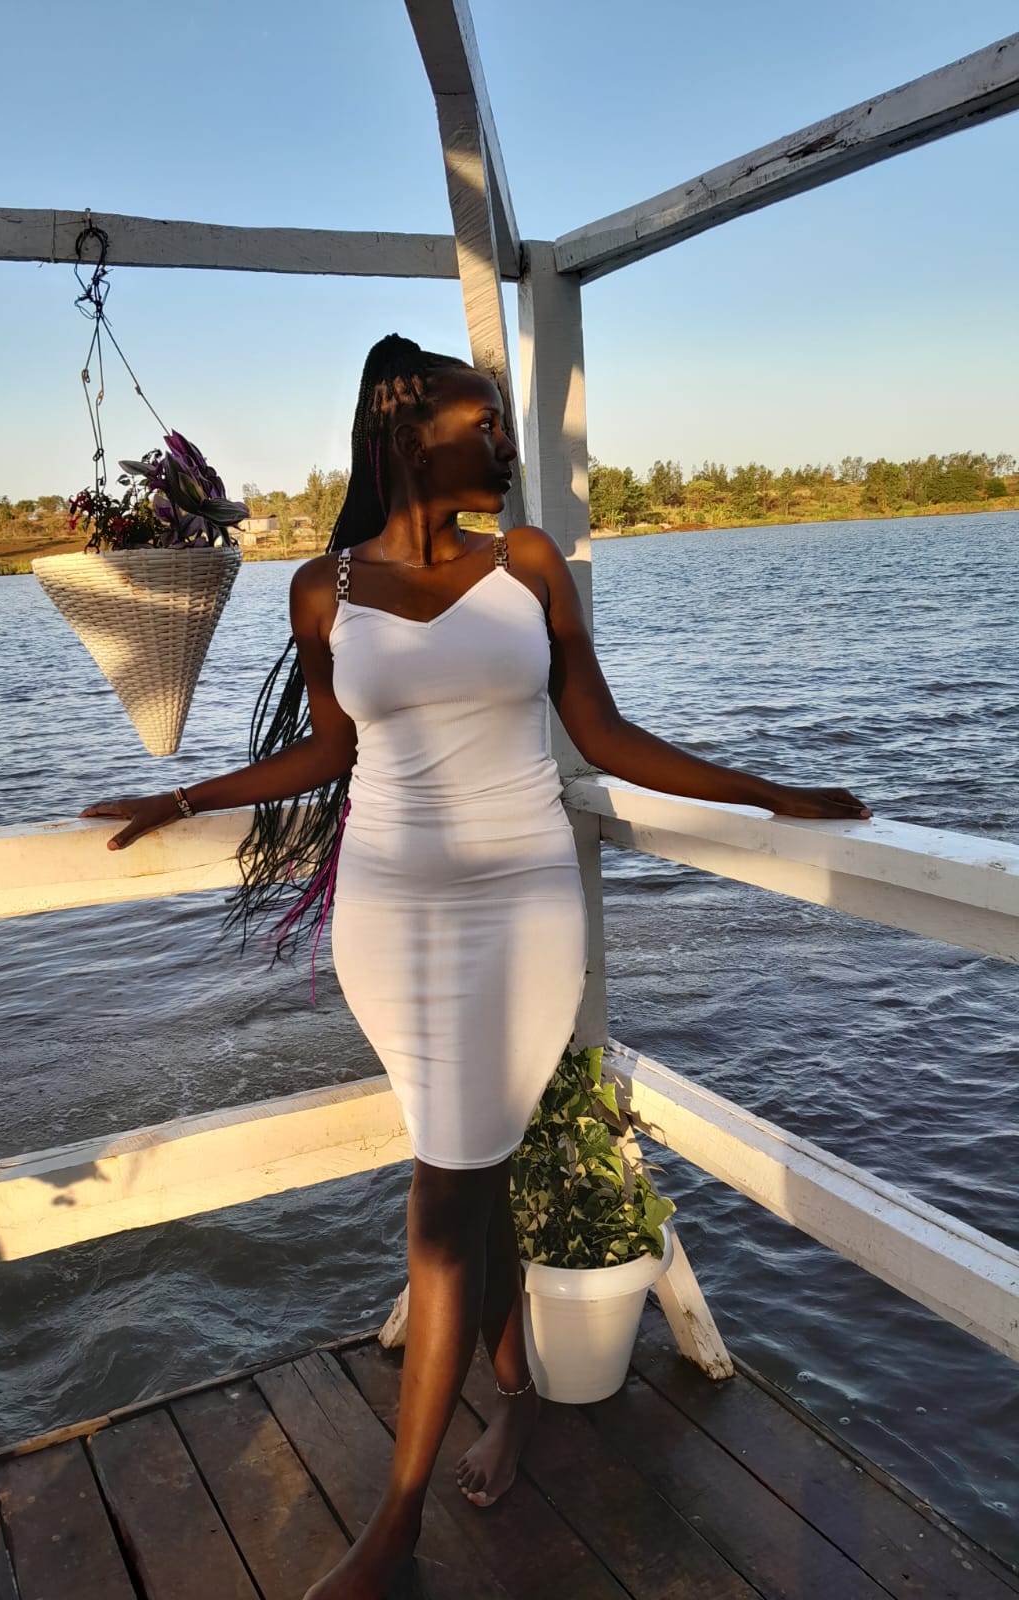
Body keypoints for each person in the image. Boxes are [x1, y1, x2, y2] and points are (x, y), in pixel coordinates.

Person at [81, 333, 871, 1599]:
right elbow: (328, 753)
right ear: (410, 437)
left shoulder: (528, 565)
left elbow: (600, 732)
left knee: (446, 1193)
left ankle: (393, 1532)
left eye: (501, 425)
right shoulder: (324, 589)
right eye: (484, 424)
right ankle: (516, 1397)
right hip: (389, 922)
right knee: (471, 1165)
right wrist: (185, 798)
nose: (504, 445)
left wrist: (770, 792)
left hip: (522, 913)